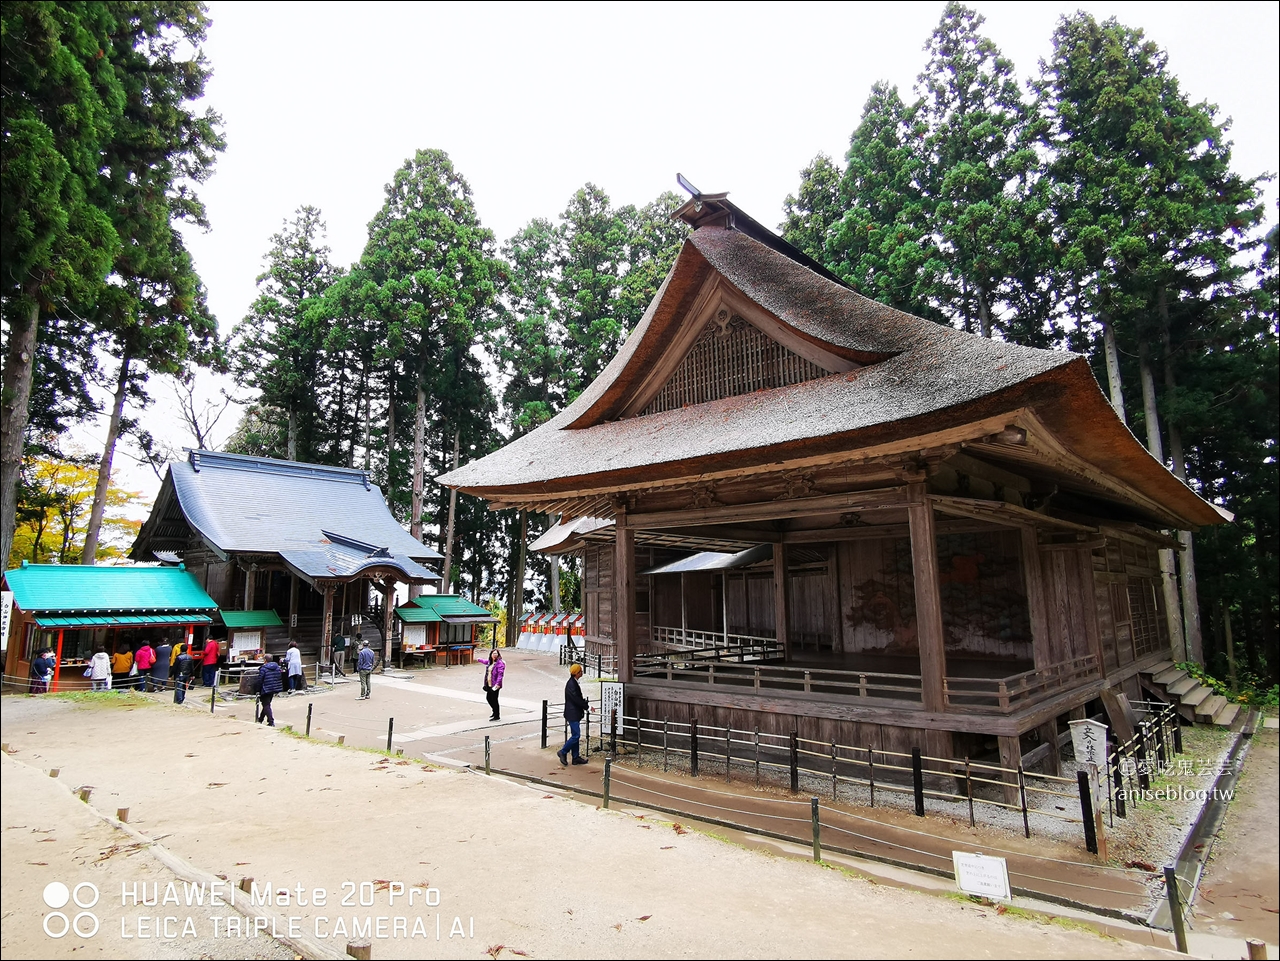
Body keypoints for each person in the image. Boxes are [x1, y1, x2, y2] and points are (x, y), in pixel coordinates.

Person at [557, 662, 590, 766]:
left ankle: (575, 757)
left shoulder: (573, 682)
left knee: (575, 735)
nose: (582, 673)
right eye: (580, 671)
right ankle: (563, 751)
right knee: (576, 735)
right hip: (573, 713)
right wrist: (586, 706)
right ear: (577, 673)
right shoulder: (572, 684)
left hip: (573, 712)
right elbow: (576, 699)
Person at [257, 654, 284, 726]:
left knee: (266, 705)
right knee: (266, 704)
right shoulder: (277, 667)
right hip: (274, 688)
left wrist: (257, 689)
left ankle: (271, 721)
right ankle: (260, 719)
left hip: (265, 688)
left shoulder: (263, 669)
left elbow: (260, 680)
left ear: (265, 660)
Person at [479, 648, 504, 721]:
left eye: (496, 653)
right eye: (493, 653)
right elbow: (485, 661)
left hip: (495, 685)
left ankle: (497, 715)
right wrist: (479, 659)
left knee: (494, 699)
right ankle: (494, 711)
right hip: (489, 683)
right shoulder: (490, 662)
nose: (494, 655)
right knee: (489, 698)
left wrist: (498, 684)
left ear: (498, 655)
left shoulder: (500, 663)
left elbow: (500, 674)